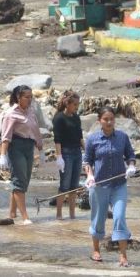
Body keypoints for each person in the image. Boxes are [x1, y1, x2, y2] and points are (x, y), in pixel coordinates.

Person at [83, 106, 137, 267]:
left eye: (111, 119)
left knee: (119, 217)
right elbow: (87, 161)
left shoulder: (122, 137)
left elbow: (130, 156)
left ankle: (123, 256)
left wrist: (131, 166)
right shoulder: (92, 139)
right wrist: (90, 176)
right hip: (99, 185)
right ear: (99, 120)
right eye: (105, 119)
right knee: (98, 219)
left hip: (119, 185)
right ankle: (96, 250)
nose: (109, 122)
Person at [0, 85, 43, 225]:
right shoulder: (11, 113)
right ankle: (25, 217)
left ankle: (12, 213)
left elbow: (36, 131)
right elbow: (6, 136)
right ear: (18, 97)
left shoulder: (30, 111)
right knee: (19, 181)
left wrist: (41, 150)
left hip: (29, 147)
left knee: (25, 181)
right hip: (16, 147)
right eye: (27, 97)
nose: (30, 100)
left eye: (31, 97)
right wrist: (3, 155)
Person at [53, 90, 84, 220]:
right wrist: (59, 157)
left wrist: (87, 151)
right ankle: (59, 214)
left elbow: (80, 137)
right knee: (64, 185)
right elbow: (57, 139)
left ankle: (72, 215)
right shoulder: (59, 118)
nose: (76, 107)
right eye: (75, 104)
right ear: (67, 103)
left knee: (74, 186)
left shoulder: (76, 118)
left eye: (77, 104)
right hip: (65, 153)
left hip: (77, 152)